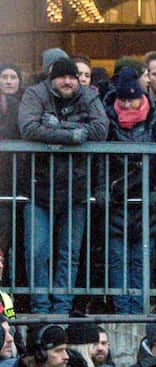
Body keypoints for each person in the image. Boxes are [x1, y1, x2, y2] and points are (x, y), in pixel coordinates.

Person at [18, 56, 108, 318]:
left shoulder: (88, 96)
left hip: (75, 189)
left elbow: (101, 129)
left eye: (72, 77)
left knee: (69, 254)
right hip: (39, 188)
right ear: (51, 78)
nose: (68, 81)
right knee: (38, 252)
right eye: (62, 77)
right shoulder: (35, 94)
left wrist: (59, 126)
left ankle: (62, 308)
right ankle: (41, 308)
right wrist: (72, 136)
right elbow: (29, 128)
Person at [103, 68, 156, 316]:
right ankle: (122, 310)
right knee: (117, 260)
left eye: (132, 98)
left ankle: (139, 310)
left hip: (146, 199)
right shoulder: (108, 117)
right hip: (117, 197)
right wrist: (102, 187)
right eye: (123, 99)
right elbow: (101, 160)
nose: (128, 103)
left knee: (142, 260)